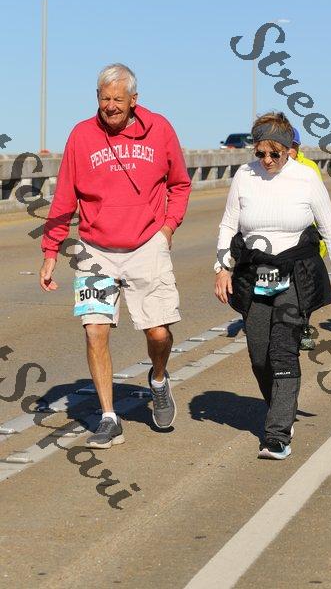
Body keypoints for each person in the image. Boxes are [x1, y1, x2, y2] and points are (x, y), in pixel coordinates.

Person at [39, 63, 191, 448]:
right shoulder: (82, 135)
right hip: (95, 249)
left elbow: (180, 184)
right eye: (104, 98)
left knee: (158, 332)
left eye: (118, 99)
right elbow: (64, 198)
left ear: (133, 100)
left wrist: (167, 228)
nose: (110, 106)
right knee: (95, 330)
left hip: (147, 245)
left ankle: (159, 378)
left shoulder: (160, 129)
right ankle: (109, 417)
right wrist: (51, 250)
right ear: (97, 98)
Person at [214, 112, 331, 460]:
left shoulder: (306, 178)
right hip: (253, 272)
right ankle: (281, 407)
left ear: (289, 148)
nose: (267, 160)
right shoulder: (244, 176)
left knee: (282, 350)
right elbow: (229, 225)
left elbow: (329, 228)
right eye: (260, 153)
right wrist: (222, 268)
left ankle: (277, 434)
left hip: (294, 272)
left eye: (274, 153)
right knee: (259, 355)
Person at [289, 127, 327, 350]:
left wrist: (321, 237)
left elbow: (319, 204)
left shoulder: (309, 168)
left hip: (306, 239)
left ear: (298, 147)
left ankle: (303, 328)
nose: (289, 150)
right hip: (281, 238)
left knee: (305, 287)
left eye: (292, 146)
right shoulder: (270, 168)